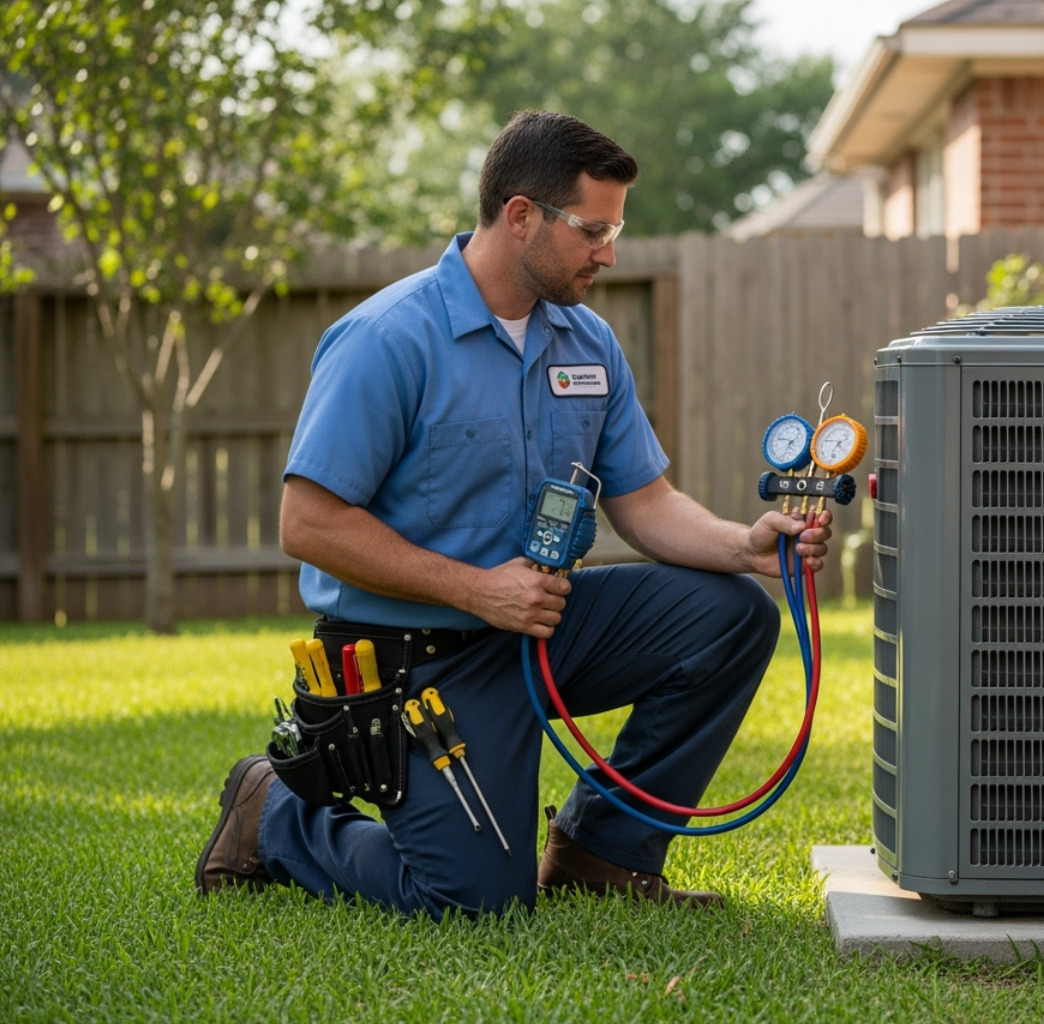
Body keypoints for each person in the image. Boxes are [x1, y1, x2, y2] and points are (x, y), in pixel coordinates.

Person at [194, 110, 832, 918]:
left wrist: (744, 544)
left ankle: (602, 852)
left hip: (537, 626)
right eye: (593, 230)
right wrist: (475, 591)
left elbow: (645, 500)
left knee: (730, 615)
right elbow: (308, 524)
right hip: (415, 659)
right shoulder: (388, 338)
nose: (609, 251)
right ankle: (273, 816)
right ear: (521, 215)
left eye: (615, 231)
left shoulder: (588, 342)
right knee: (474, 903)